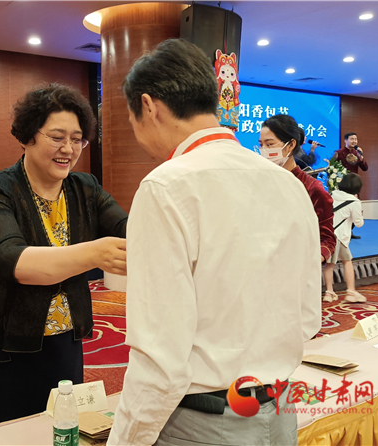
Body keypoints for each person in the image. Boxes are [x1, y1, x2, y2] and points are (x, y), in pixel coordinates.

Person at [107, 39, 321, 446]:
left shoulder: (165, 186)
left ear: (149, 107)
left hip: (204, 424)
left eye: (132, 119)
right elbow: (309, 315)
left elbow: (159, 356)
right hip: (279, 411)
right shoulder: (288, 184)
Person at [0, 84, 128, 431]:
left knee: (61, 430)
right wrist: (95, 252)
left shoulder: (85, 188)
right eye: (57, 137)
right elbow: (14, 260)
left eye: (77, 139)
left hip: (65, 341)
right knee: (4, 434)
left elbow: (128, 229)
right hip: (5, 346)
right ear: (28, 136)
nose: (68, 149)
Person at [259, 114, 336, 264]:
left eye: (269, 144)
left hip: (295, 267)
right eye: (261, 145)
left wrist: (312, 260)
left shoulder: (312, 188)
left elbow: (327, 239)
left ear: (290, 145)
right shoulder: (260, 182)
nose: (263, 150)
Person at [322, 173, 365, 303]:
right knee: (347, 261)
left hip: (327, 233)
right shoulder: (354, 202)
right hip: (340, 236)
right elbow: (359, 223)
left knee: (329, 264)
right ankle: (351, 291)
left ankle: (329, 292)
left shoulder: (331, 194)